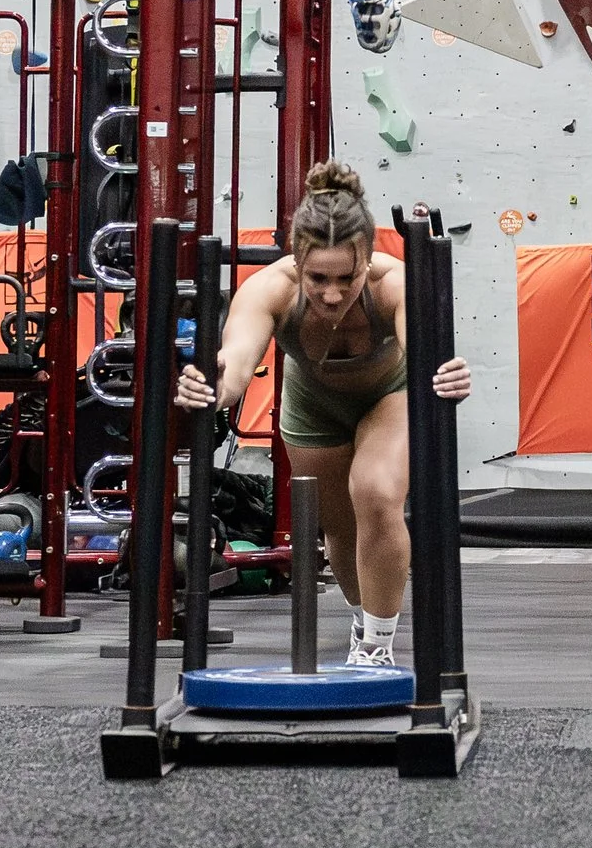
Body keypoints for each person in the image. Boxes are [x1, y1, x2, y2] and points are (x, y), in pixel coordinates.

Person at [174, 161, 470, 671]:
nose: (332, 294)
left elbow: (424, 360)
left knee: (375, 493)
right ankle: (364, 616)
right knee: (338, 528)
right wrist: (208, 387)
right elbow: (235, 371)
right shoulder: (269, 290)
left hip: (389, 394)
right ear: (296, 259)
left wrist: (448, 377)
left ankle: (376, 646)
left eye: (346, 278)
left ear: (368, 260)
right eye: (318, 278)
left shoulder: (395, 284)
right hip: (312, 405)